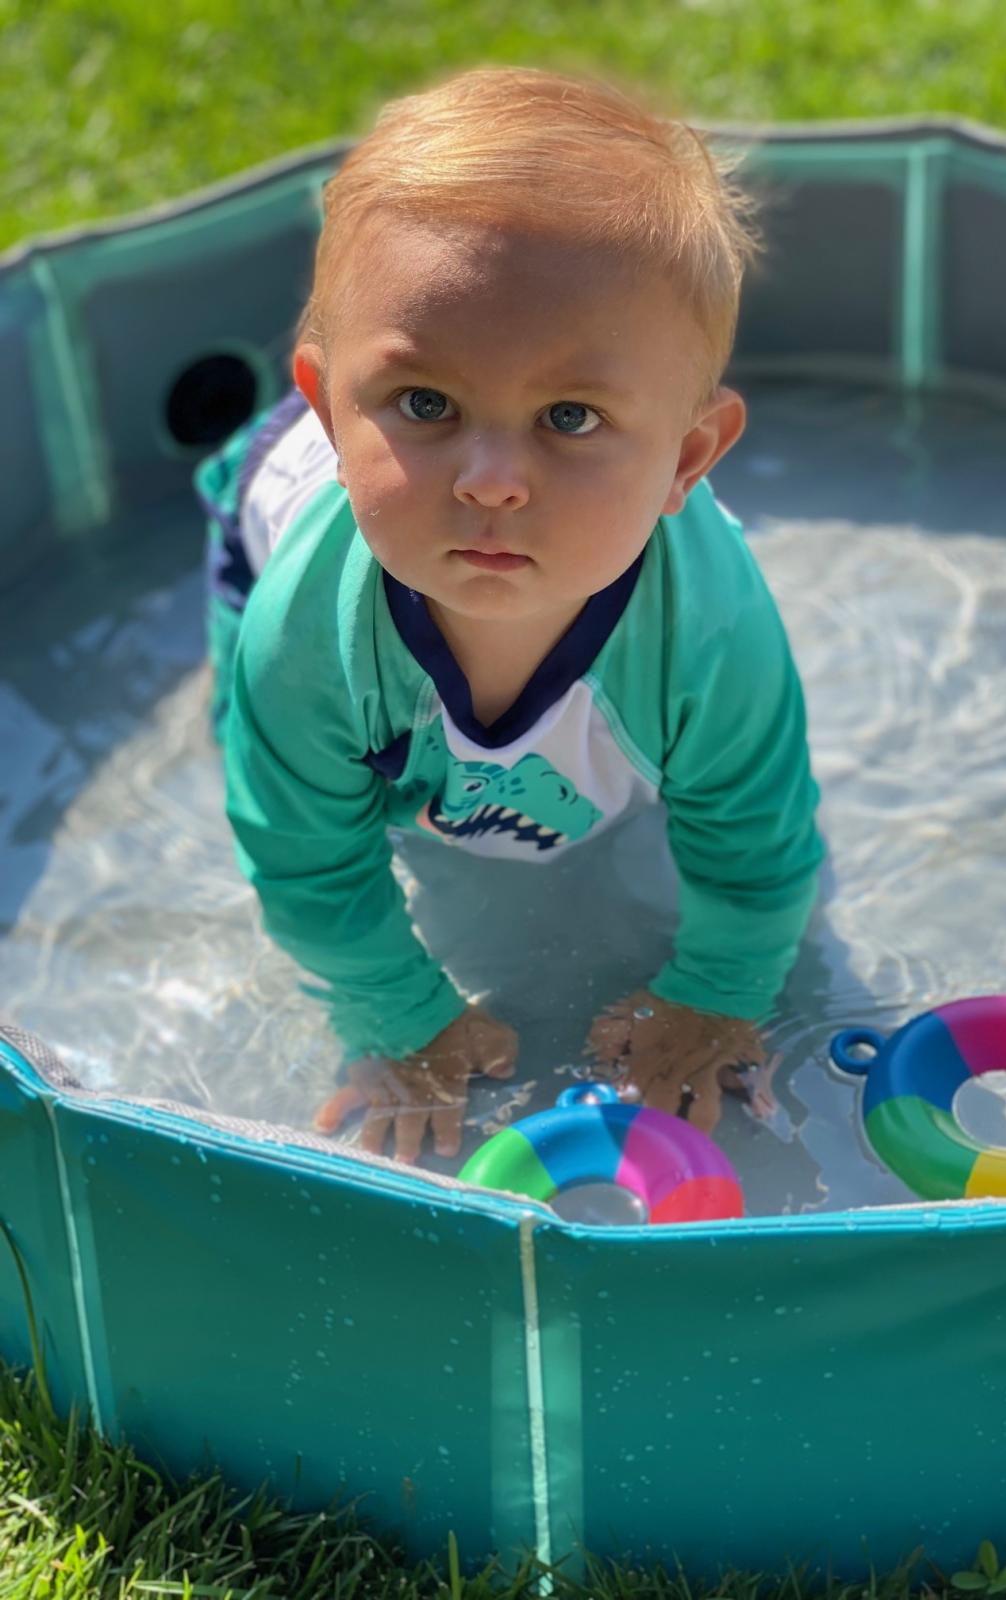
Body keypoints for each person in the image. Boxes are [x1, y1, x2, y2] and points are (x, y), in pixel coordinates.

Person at [195, 64, 822, 1165]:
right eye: (424, 403)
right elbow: (304, 866)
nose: (490, 478)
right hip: (268, 519)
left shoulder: (711, 630)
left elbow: (755, 844)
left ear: (685, 459)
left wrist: (718, 993)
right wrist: (397, 1017)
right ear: (330, 411)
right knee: (264, 759)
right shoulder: (302, 635)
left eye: (570, 416)